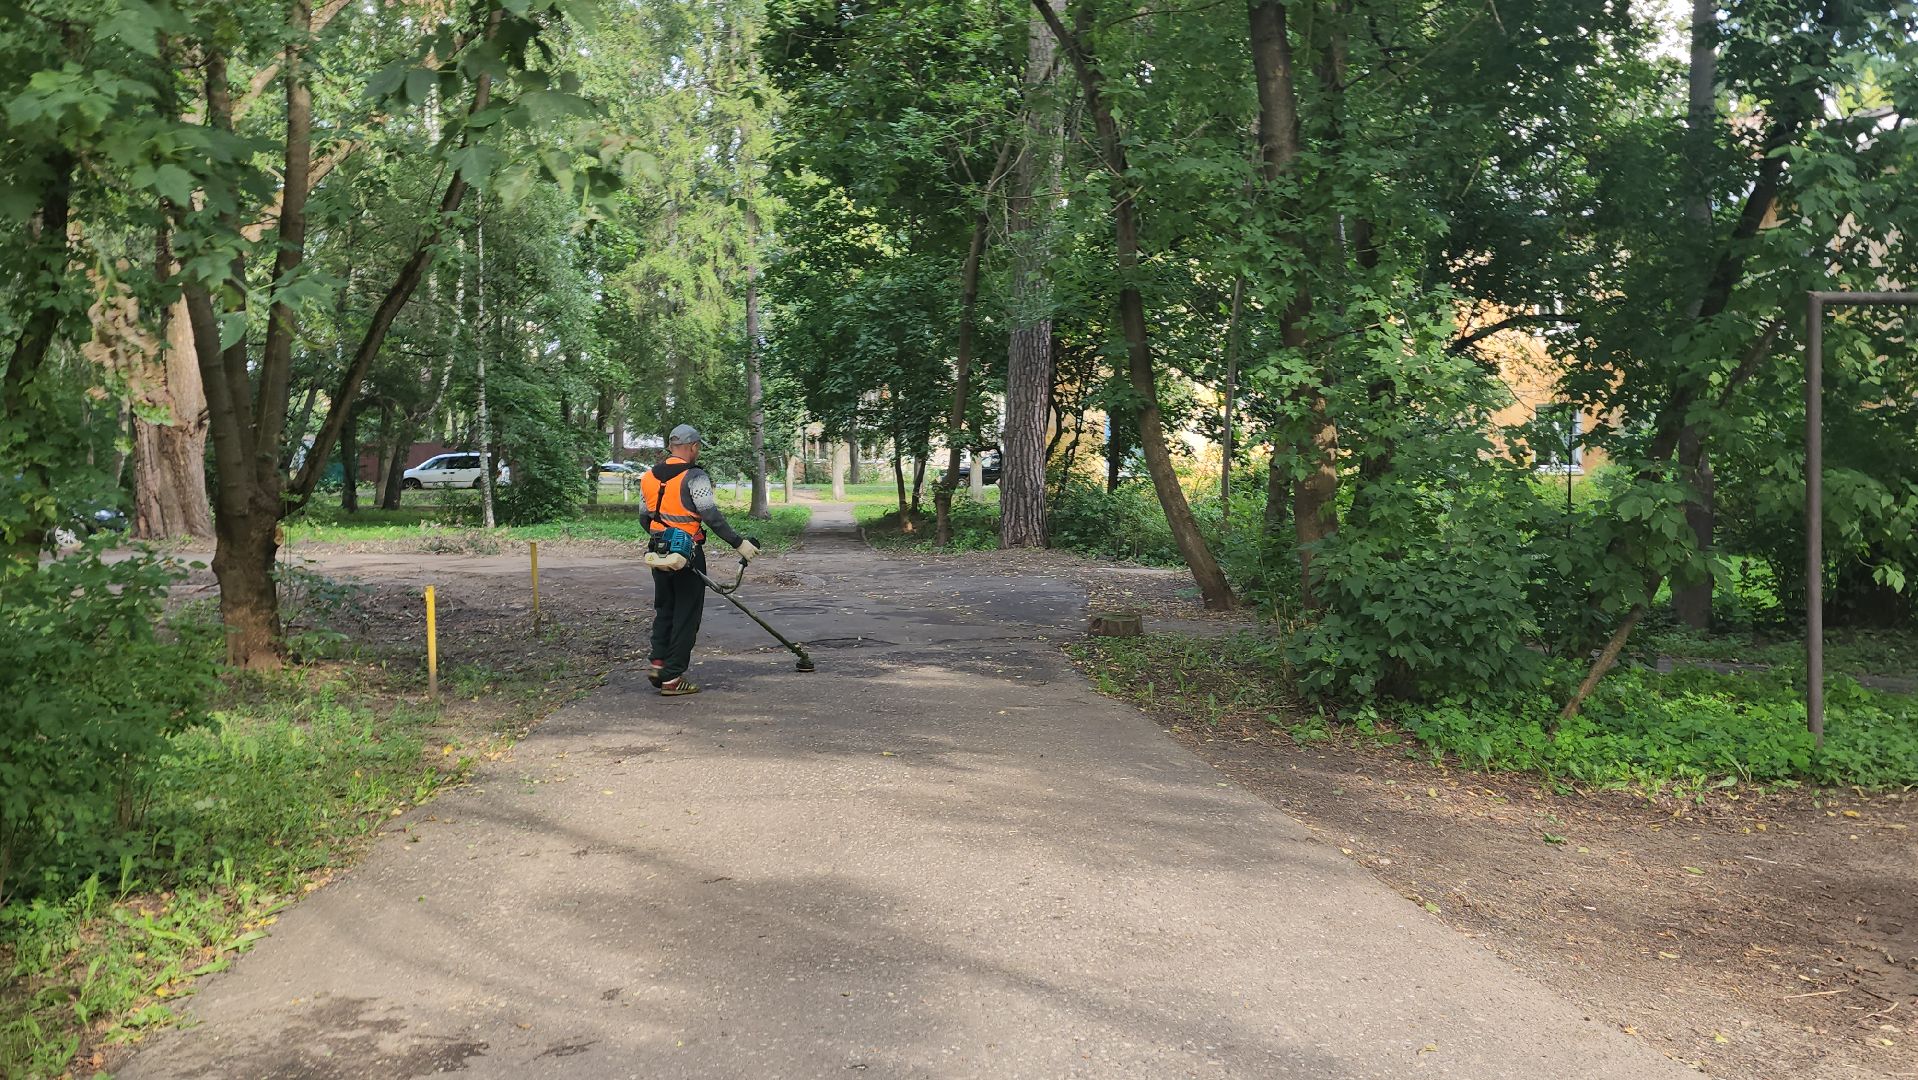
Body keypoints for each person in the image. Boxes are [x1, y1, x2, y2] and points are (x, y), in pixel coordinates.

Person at [640, 424, 758, 696]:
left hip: (657, 551)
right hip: (687, 553)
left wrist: (663, 536)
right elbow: (711, 516)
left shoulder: (647, 477)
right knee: (686, 614)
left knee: (665, 608)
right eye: (698, 447)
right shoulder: (695, 476)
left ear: (671, 446)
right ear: (693, 447)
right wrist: (739, 543)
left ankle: (658, 664)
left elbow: (644, 517)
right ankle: (672, 678)